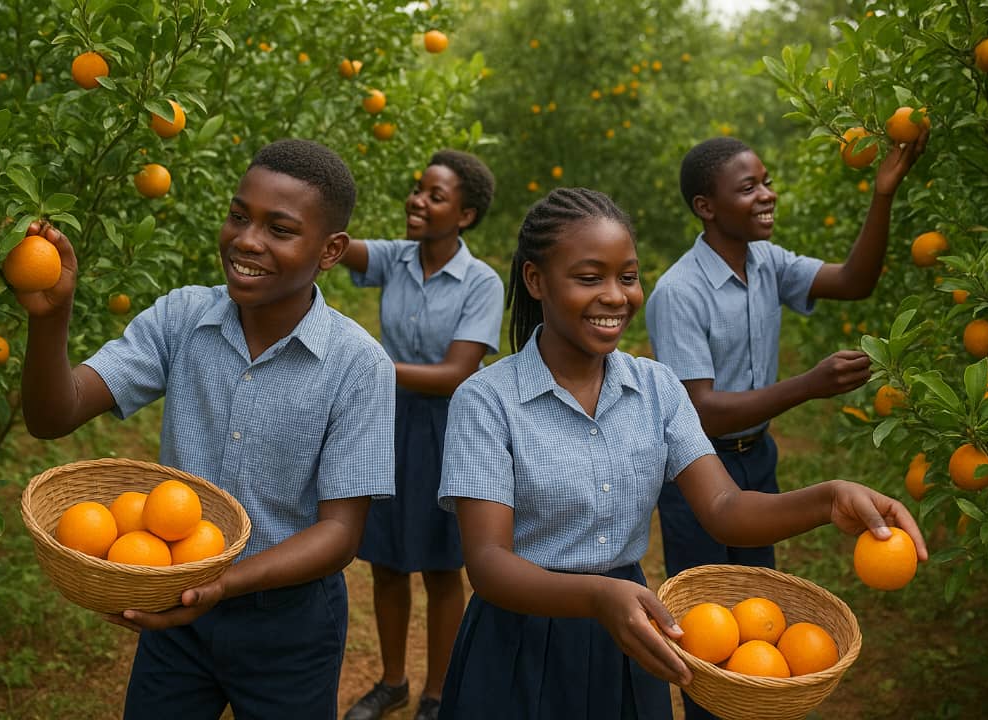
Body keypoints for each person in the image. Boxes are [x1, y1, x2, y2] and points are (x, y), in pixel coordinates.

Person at [434, 187, 928, 720]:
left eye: (627, 277)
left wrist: (829, 499)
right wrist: (598, 597)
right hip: (519, 642)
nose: (615, 296)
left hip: (631, 636)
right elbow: (487, 564)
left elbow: (726, 510)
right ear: (536, 280)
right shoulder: (487, 401)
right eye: (588, 277)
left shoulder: (656, 388)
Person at [14, 139, 396, 720]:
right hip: (176, 610)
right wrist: (51, 319)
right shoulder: (182, 318)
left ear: (331, 249)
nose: (247, 240)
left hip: (288, 625)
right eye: (239, 216)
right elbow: (54, 415)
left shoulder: (358, 366)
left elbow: (340, 534)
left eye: (280, 229)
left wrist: (224, 583)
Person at [645, 134, 927, 719]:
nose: (767, 195)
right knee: (705, 635)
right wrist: (809, 384)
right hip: (698, 470)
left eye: (766, 181)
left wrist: (883, 195)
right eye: (748, 188)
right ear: (706, 206)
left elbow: (855, 281)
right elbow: (698, 410)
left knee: (758, 610)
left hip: (756, 457)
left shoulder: (767, 264)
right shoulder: (680, 292)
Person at [340, 150, 503, 720]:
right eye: (418, 189)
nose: (418, 201)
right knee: (385, 560)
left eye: (435, 195)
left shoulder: (480, 281)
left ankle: (437, 692)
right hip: (387, 423)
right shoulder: (397, 259)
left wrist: (369, 367)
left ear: (466, 215)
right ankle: (392, 683)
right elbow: (335, 242)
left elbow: (457, 373)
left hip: (449, 427)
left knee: (440, 564)